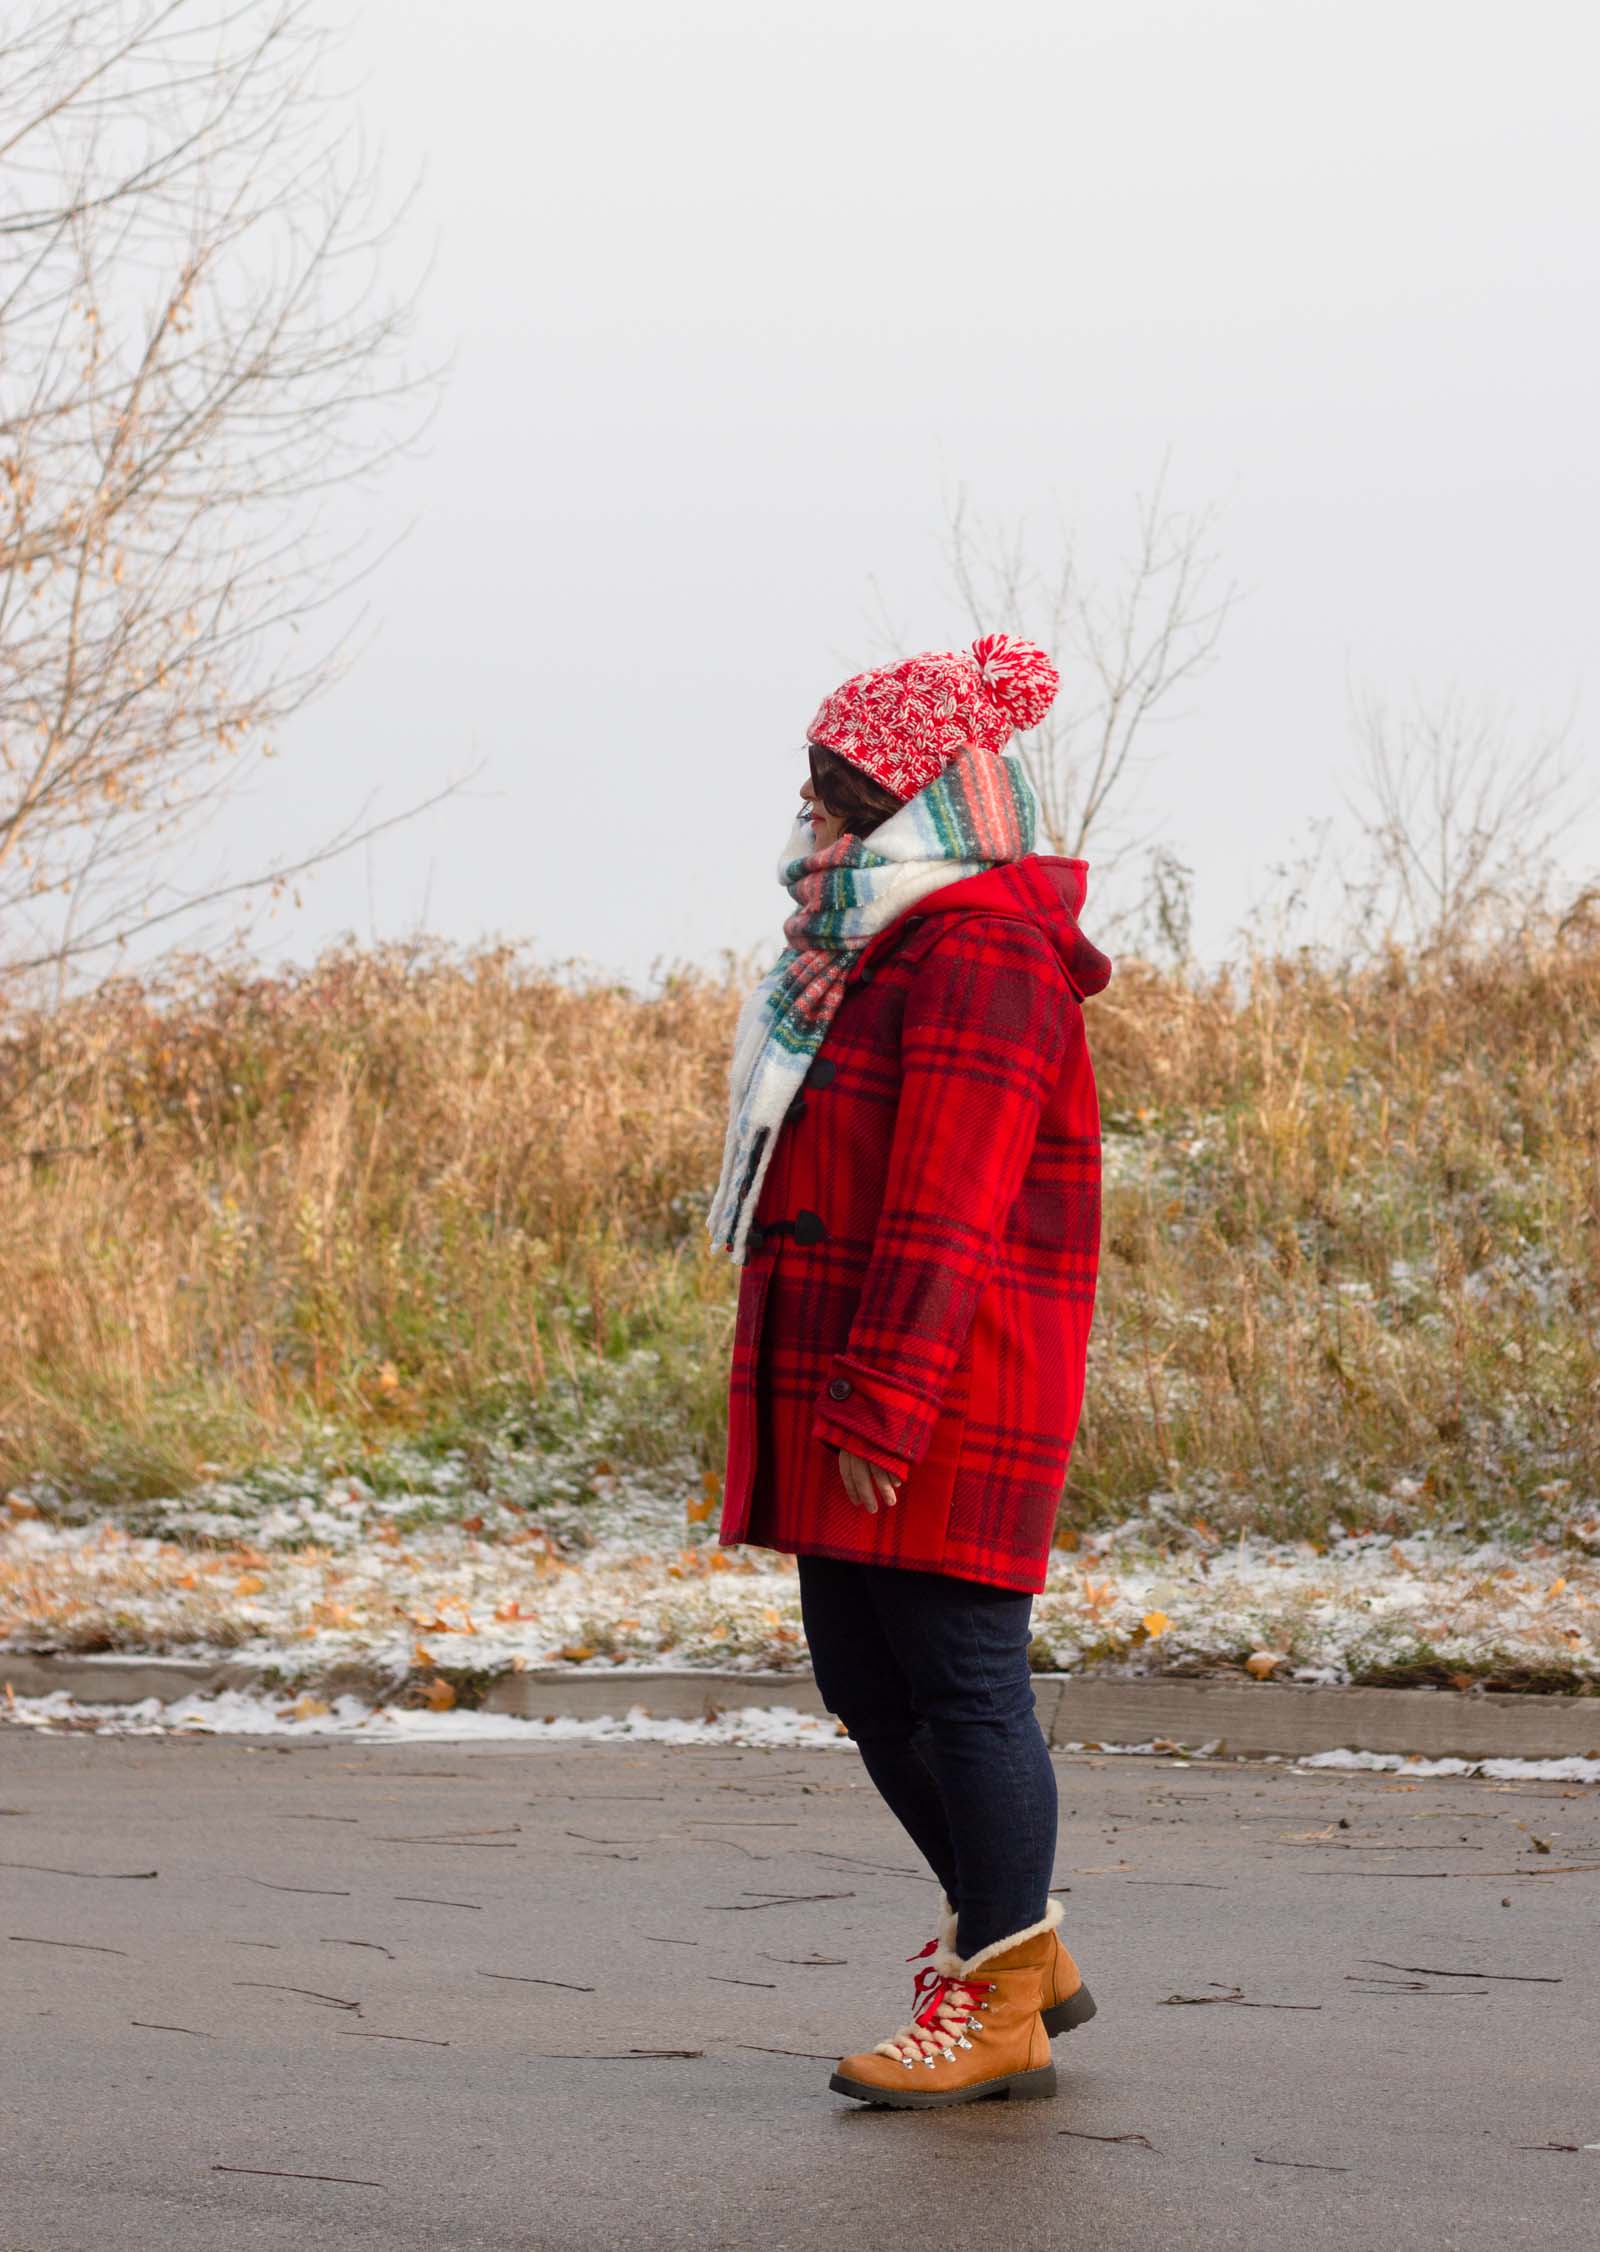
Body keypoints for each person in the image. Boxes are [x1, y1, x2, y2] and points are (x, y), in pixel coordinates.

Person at [708, 634, 1113, 2108]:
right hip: (868, 1372)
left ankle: (996, 1992)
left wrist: (886, 1397)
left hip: (947, 1376)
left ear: (918, 806)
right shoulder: (880, 944)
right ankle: (1016, 1949)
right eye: (818, 795)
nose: (812, 826)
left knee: (959, 1687)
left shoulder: (980, 949)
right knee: (867, 1681)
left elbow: (950, 1193)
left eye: (840, 800)